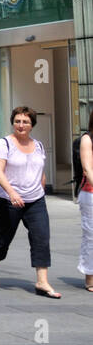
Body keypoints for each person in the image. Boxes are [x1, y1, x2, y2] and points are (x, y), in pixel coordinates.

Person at [0, 106, 60, 297]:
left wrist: (41, 190)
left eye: (25, 122)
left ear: (32, 124)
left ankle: (42, 281)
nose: (21, 125)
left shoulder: (38, 145)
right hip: (7, 200)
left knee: (41, 238)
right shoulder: (4, 143)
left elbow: (39, 171)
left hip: (35, 200)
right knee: (3, 237)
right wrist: (12, 193)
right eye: (17, 121)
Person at [77, 115, 93, 292]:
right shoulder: (87, 139)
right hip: (90, 194)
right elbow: (88, 169)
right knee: (92, 236)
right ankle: (90, 277)